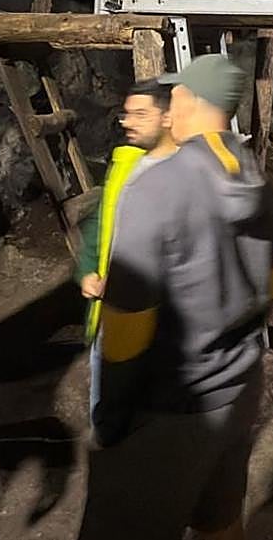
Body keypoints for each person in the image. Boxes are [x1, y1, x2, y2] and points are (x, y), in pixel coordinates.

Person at [79, 54, 273, 540]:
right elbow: (272, 290)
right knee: (220, 522)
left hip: (172, 405)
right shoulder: (261, 185)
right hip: (238, 391)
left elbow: (128, 320)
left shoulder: (160, 185)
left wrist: (111, 419)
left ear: (185, 99)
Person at [75, 78, 176, 447]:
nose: (128, 122)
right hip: (114, 303)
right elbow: (101, 223)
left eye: (140, 114)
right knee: (108, 387)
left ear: (167, 117)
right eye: (126, 114)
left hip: (159, 309)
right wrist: (88, 268)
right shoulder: (124, 164)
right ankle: (109, 439)